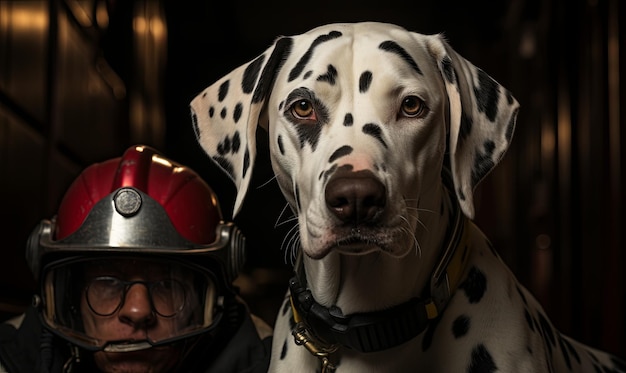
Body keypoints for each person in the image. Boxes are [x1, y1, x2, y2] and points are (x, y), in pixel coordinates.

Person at [0, 145, 272, 373]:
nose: (138, 311)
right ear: (70, 298)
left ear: (210, 301)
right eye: (107, 283)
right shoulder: (9, 358)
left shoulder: (275, 364)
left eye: (167, 284)